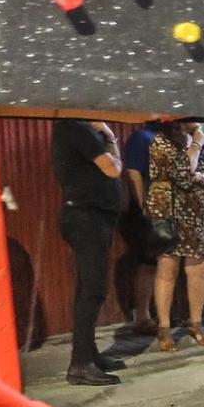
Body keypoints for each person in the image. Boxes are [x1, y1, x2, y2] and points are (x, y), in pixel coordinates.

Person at [50, 118, 124, 386]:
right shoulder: (73, 126)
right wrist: (111, 138)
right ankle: (80, 363)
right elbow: (113, 168)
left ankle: (88, 354)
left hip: (91, 218)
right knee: (92, 289)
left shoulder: (78, 127)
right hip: (85, 218)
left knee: (87, 288)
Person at [145, 120, 204, 351]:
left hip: (198, 210)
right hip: (170, 211)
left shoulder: (200, 139)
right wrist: (196, 144)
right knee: (168, 268)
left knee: (198, 267)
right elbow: (184, 173)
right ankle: (164, 328)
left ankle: (196, 323)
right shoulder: (162, 140)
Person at [116, 122, 160, 336]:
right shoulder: (142, 137)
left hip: (165, 207)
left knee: (163, 261)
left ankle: (161, 313)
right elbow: (133, 173)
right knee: (148, 261)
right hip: (147, 209)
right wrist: (144, 206)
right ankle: (142, 316)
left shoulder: (167, 136)